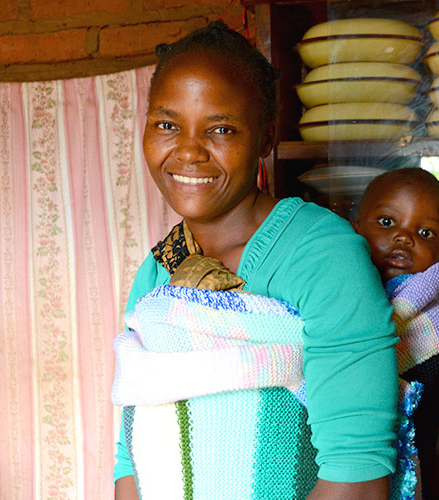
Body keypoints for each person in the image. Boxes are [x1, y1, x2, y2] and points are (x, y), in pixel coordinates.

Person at [112, 21, 400, 500]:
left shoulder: (321, 254)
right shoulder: (158, 270)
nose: (187, 151)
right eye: (167, 124)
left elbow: (357, 476)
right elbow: (132, 453)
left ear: (266, 139)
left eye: (221, 129)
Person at [352, 167, 439, 500]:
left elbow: (359, 370)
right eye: (387, 223)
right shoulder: (346, 284)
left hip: (398, 458)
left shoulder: (431, 317)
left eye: (425, 233)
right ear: (355, 227)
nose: (404, 237)